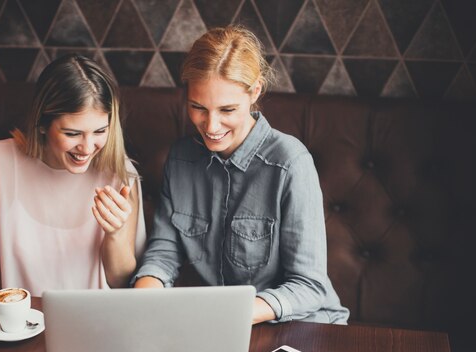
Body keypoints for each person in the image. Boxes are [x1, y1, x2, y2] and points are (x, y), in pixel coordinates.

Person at [133, 26, 349, 325]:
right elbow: (165, 251)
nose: (211, 126)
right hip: (224, 327)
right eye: (198, 107)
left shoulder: (290, 163)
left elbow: (309, 287)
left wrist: (227, 317)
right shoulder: (181, 158)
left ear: (255, 91)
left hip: (305, 325)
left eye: (227, 109)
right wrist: (141, 301)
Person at [0, 54, 145, 318]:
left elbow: (120, 281)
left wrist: (115, 234)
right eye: (72, 133)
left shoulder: (120, 175)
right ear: (42, 124)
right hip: (13, 326)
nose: (87, 148)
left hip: (92, 326)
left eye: (100, 131)